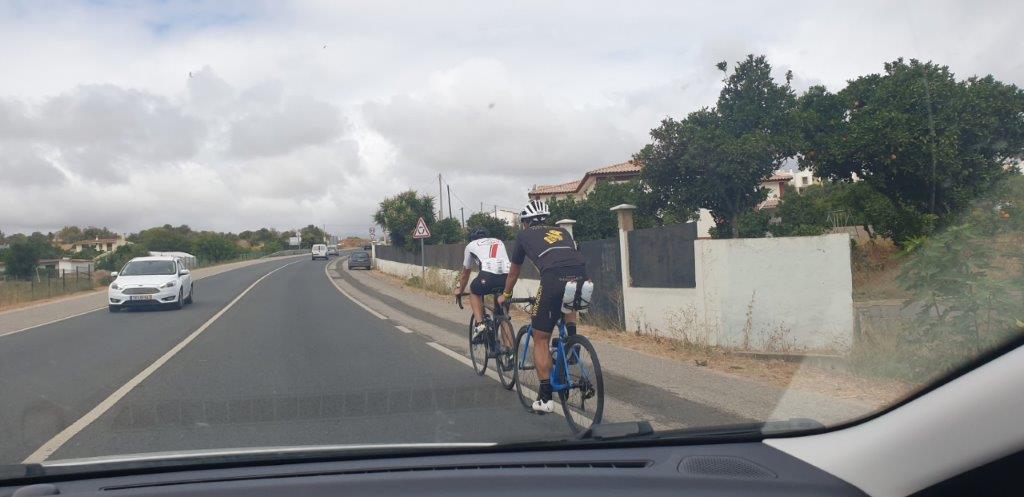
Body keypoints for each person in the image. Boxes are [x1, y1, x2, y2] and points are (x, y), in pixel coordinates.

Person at [498, 199, 587, 413]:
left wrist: (506, 294)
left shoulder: (523, 236)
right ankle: (571, 344)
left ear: (526, 222)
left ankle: (545, 397)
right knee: (568, 300)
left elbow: (514, 272)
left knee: (541, 338)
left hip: (553, 279)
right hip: (582, 275)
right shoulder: (563, 232)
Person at [454, 228, 512, 342]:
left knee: (474, 290)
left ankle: (480, 324)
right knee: (504, 318)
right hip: (508, 278)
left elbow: (465, 273)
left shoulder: (470, 245)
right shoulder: (498, 241)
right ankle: (510, 356)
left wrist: (460, 290)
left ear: (472, 239)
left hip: (487, 276)